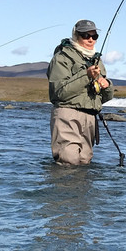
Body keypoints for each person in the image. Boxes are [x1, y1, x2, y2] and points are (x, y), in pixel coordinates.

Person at [47, 20, 114, 165]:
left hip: (90, 117)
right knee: (68, 162)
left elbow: (104, 98)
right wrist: (86, 76)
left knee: (84, 163)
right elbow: (58, 93)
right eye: (85, 35)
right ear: (76, 35)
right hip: (67, 114)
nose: (90, 39)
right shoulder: (61, 57)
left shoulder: (97, 60)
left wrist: (107, 85)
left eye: (94, 36)